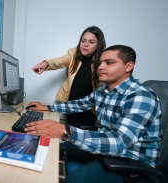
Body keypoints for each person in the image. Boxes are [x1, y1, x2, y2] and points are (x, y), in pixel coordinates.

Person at [25, 45, 162, 183]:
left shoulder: (141, 96)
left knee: (73, 180)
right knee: (55, 148)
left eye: (109, 63)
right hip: (106, 150)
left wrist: (65, 131)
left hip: (131, 162)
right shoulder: (103, 91)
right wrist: (47, 107)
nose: (100, 67)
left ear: (128, 66)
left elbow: (119, 143)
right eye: (100, 63)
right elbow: (79, 104)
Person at [32, 26, 106, 128]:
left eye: (91, 42)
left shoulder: (102, 60)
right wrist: (46, 64)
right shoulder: (74, 54)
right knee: (70, 133)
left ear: (98, 44)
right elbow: (59, 61)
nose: (86, 44)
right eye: (83, 40)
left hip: (89, 107)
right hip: (71, 104)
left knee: (84, 134)